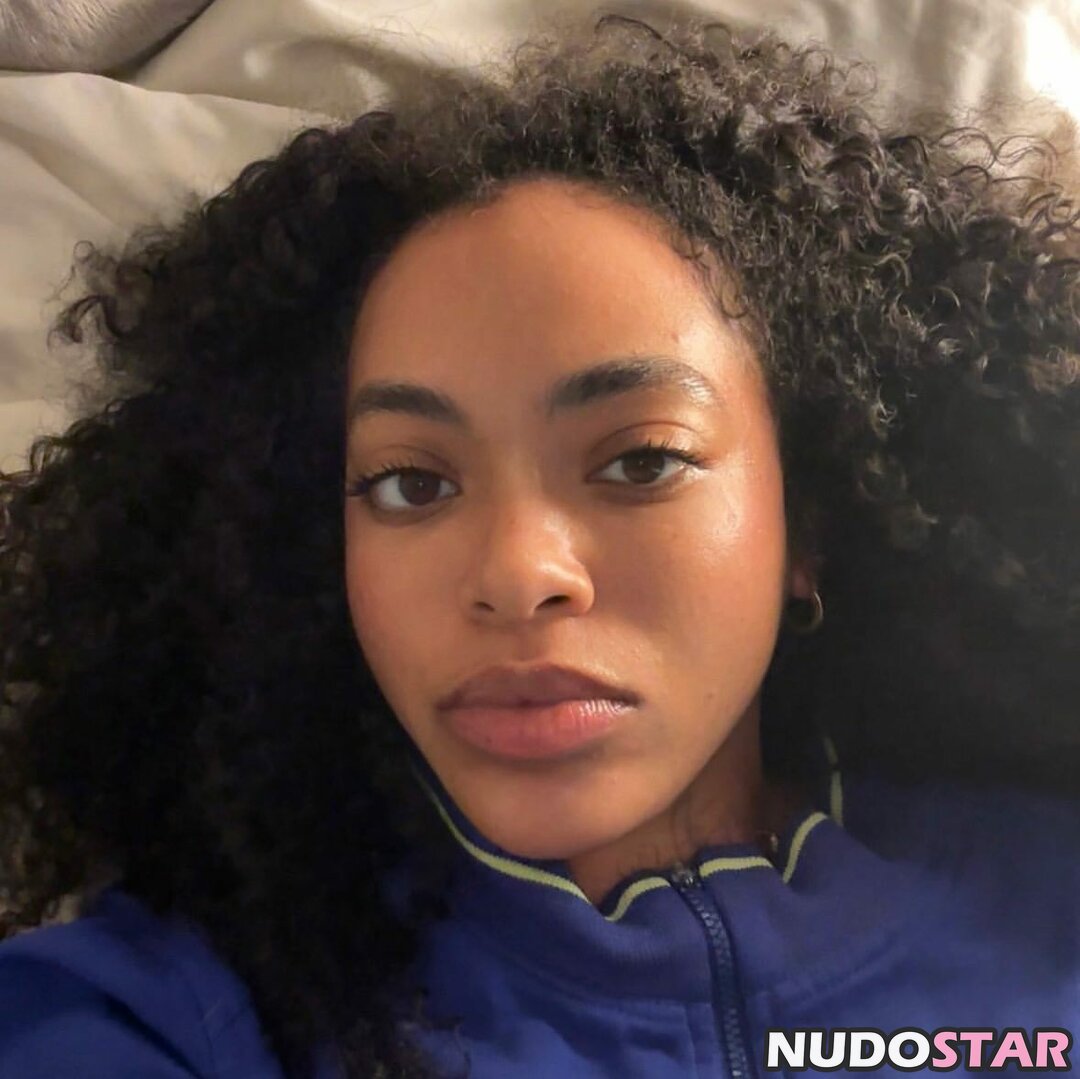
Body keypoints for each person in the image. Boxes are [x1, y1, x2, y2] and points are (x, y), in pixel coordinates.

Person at [0, 13, 1077, 1079]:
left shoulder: (1051, 898)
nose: (518, 572)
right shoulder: (160, 1013)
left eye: (642, 461)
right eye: (411, 483)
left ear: (810, 522)